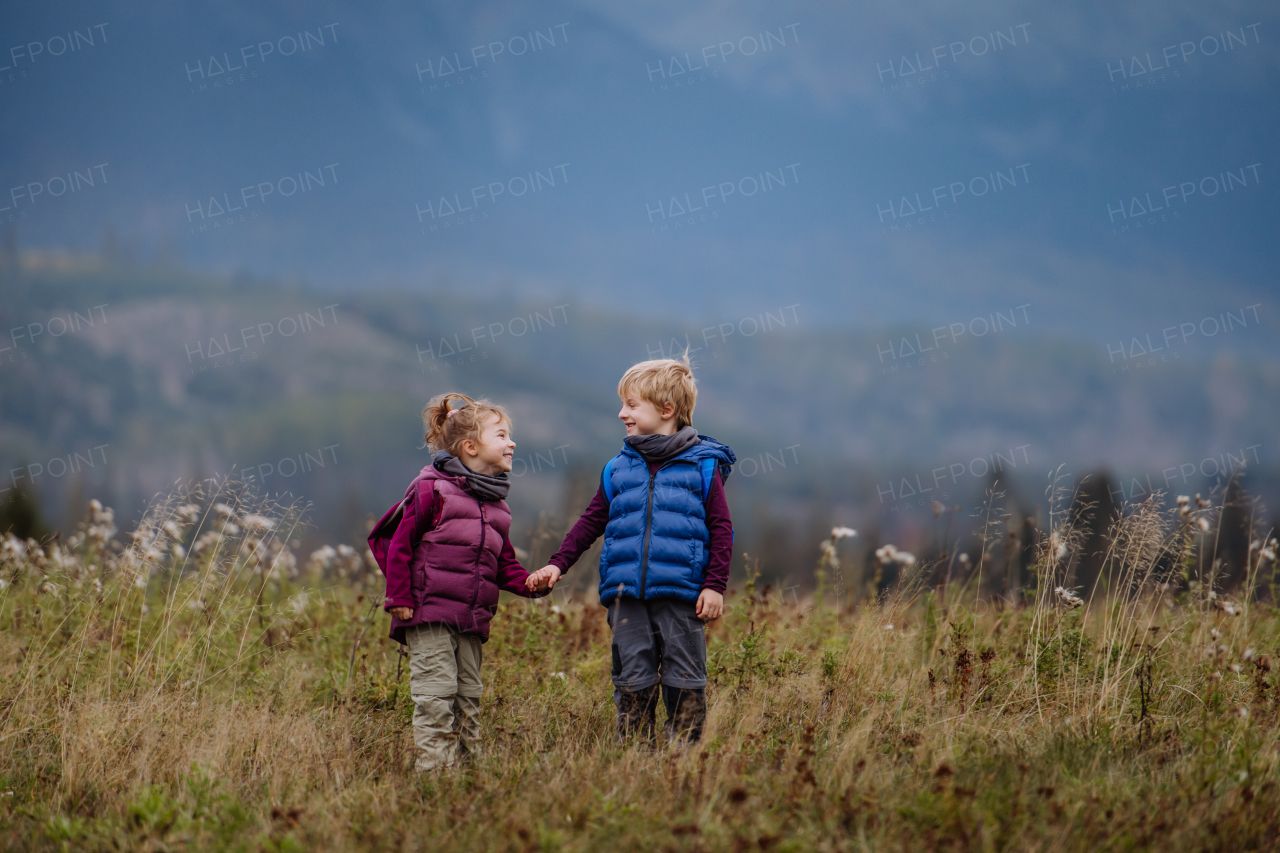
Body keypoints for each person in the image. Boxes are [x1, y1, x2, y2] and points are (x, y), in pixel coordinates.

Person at [527, 356, 734, 746]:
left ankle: (683, 759)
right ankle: (635, 758)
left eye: (632, 405)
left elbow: (722, 529)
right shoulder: (618, 468)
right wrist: (558, 565)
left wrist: (714, 586)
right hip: (625, 598)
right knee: (632, 680)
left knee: (684, 678)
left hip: (683, 597)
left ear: (667, 410)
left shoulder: (703, 468)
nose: (622, 413)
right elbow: (591, 521)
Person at [370, 392, 546, 771]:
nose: (511, 442)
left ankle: (469, 779)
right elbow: (399, 544)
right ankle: (435, 781)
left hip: (471, 620)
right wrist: (398, 597)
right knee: (436, 697)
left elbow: (503, 563)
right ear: (470, 447)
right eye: (501, 435)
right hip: (430, 613)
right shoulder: (432, 490)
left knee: (468, 698)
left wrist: (530, 583)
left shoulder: (497, 506)